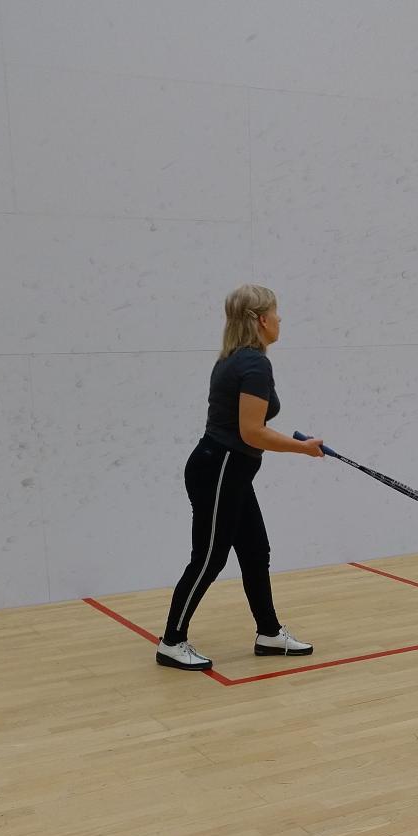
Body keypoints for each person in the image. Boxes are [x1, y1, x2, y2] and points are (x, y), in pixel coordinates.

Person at [157, 284, 324, 671]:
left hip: (227, 470)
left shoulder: (236, 359)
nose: (280, 319)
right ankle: (172, 641)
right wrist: (303, 448)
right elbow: (252, 433)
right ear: (262, 319)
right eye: (276, 313)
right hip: (220, 470)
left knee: (255, 551)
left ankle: (269, 633)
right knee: (209, 558)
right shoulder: (253, 364)